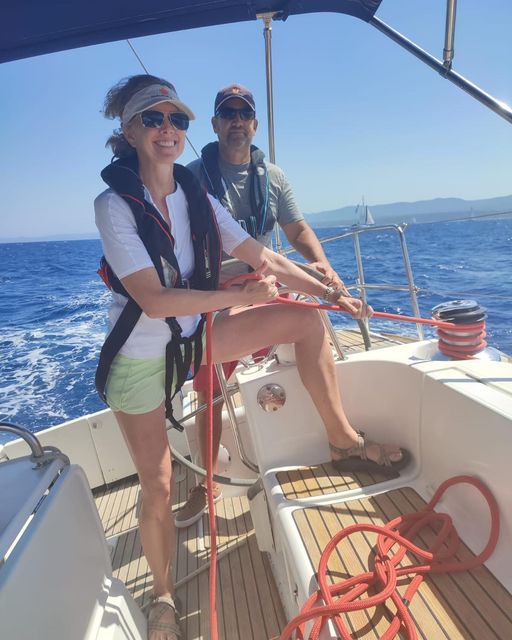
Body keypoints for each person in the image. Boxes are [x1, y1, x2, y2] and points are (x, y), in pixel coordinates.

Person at [95, 74, 409, 640]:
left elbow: (261, 254)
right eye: (153, 118)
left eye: (177, 120)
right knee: (158, 484)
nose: (168, 129)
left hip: (194, 338)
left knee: (305, 321)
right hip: (142, 356)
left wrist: (328, 291)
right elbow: (152, 299)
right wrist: (234, 298)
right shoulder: (114, 205)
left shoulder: (197, 197)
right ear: (130, 130)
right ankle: (163, 598)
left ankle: (344, 443)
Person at [177, 83, 347, 527]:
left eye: (243, 114)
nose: (236, 121)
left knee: (316, 326)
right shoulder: (193, 179)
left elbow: (296, 231)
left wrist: (321, 267)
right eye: (227, 114)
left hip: (265, 282)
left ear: (254, 124)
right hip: (215, 294)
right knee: (209, 390)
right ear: (215, 125)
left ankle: (328, 436)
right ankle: (207, 480)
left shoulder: (272, 177)